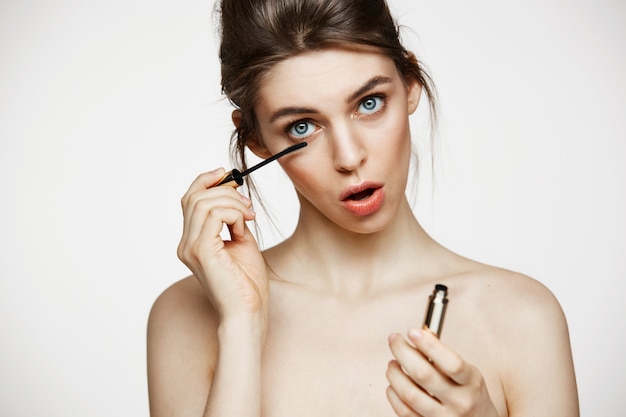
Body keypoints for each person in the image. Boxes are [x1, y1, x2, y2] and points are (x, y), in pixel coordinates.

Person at [147, 0, 579, 415]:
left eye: (369, 103)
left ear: (409, 83)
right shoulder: (187, 317)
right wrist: (241, 326)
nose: (349, 157)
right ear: (255, 138)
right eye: (302, 126)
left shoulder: (522, 318)